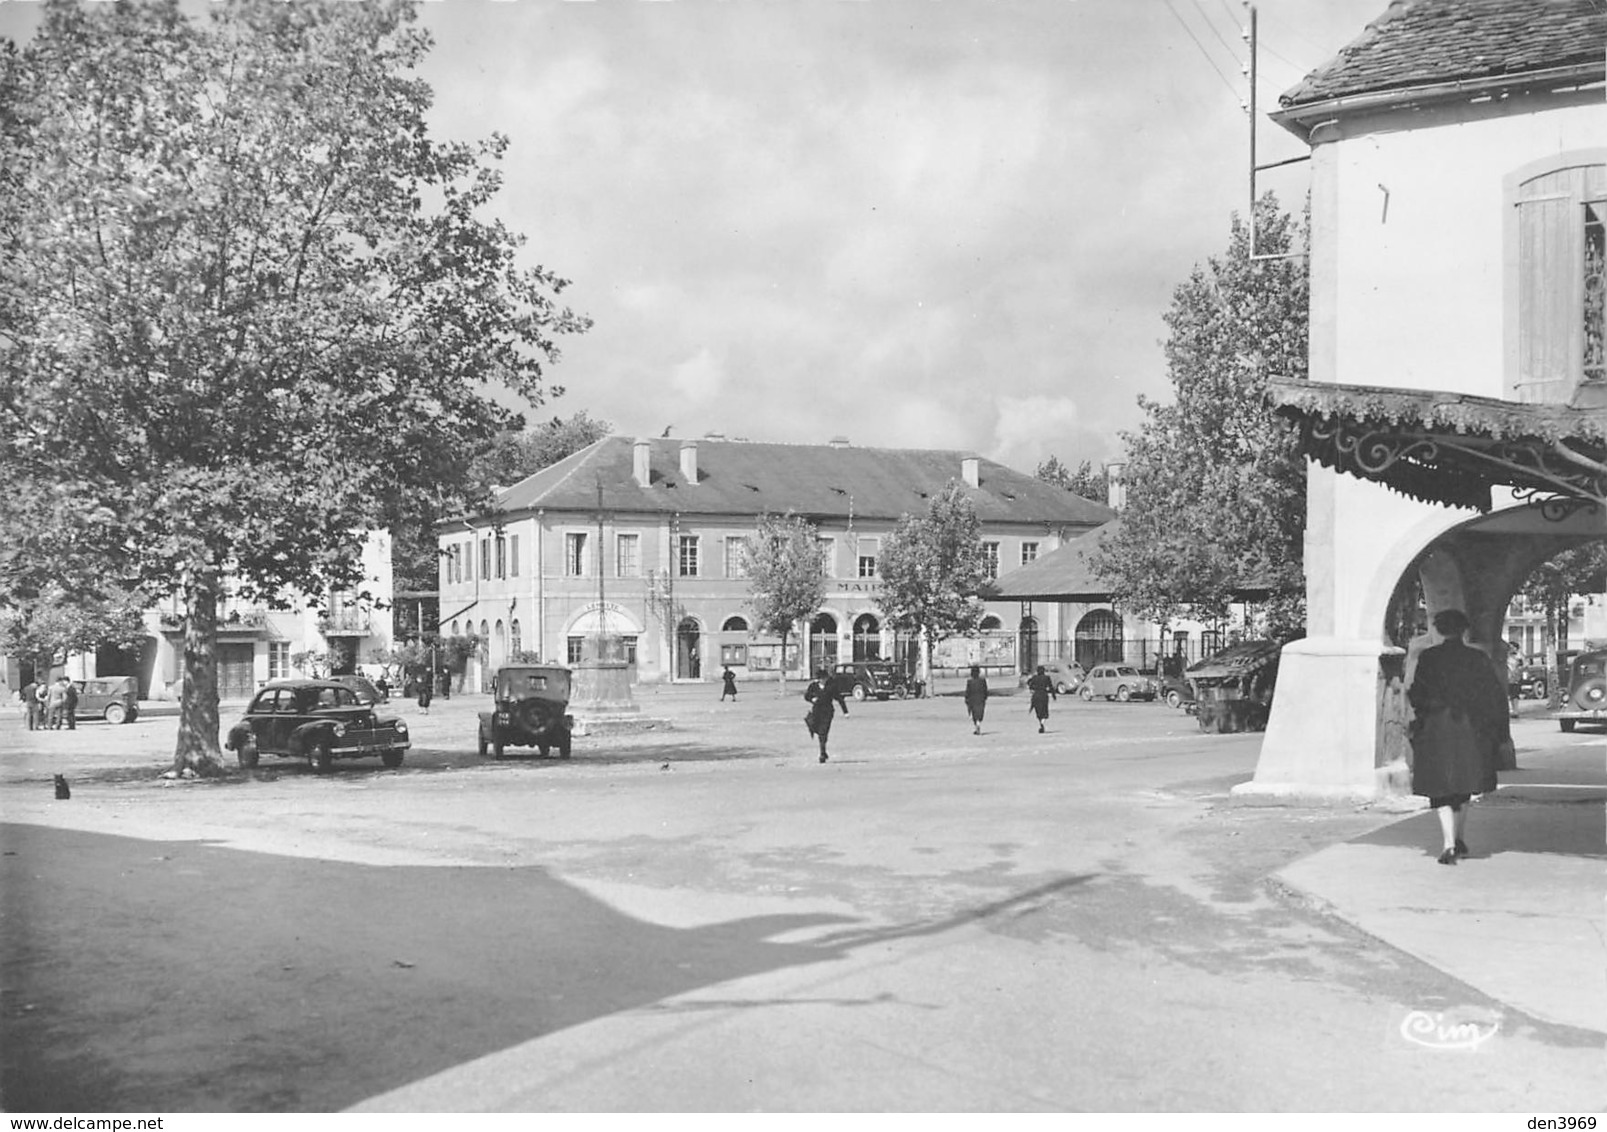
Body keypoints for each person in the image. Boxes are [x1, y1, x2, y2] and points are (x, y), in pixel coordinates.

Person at [1408, 609, 1512, 866]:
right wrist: (1498, 731)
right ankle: (1461, 837)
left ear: (1440, 629)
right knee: (1463, 787)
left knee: (1440, 789)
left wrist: (1420, 717)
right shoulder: (1477, 658)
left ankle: (1448, 844)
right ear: (1464, 630)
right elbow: (1493, 695)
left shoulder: (1429, 658)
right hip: (1470, 730)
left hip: (1436, 730)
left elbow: (1417, 692)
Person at [803, 666, 848, 764]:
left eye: (824, 678)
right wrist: (812, 699)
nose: (823, 680)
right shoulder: (813, 686)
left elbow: (839, 698)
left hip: (827, 712)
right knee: (815, 727)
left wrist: (845, 712)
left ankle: (822, 753)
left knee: (823, 733)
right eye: (821, 679)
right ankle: (823, 749)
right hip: (816, 711)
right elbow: (806, 696)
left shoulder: (831, 687)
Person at [1026, 664, 1057, 734]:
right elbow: (1051, 687)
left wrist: (1031, 688)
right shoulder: (1046, 678)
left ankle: (1040, 723)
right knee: (1044, 710)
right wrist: (1054, 696)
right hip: (1043, 695)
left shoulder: (1034, 678)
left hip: (1036, 695)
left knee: (1038, 711)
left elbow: (1029, 683)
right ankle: (1042, 723)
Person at [964, 664, 989, 735]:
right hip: (981, 699)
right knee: (980, 712)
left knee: (974, 713)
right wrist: (985, 697)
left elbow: (967, 691)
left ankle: (976, 725)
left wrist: (967, 700)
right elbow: (985, 690)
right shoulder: (983, 681)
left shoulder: (970, 682)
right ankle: (978, 723)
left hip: (972, 700)